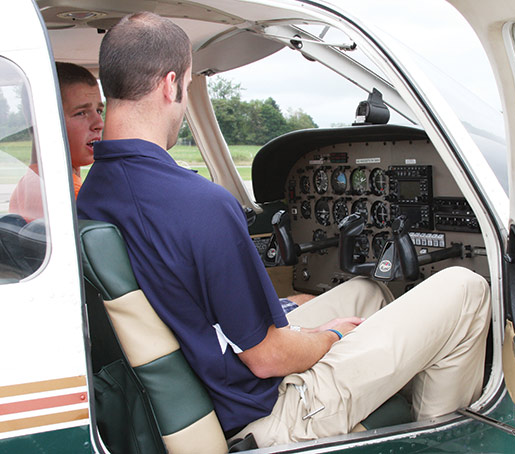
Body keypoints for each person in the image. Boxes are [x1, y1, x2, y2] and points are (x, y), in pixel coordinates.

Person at [77, 12, 490, 447]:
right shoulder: (199, 205)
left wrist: (307, 332)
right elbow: (268, 358)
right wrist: (330, 336)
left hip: (207, 375)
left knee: (367, 292)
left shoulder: (94, 193)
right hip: (265, 412)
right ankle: (440, 443)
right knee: (465, 289)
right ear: (171, 84)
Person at [10, 62, 104, 222]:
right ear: (45, 121)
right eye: (81, 113)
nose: (99, 123)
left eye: (99, 111)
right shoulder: (73, 197)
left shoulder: (24, 187)